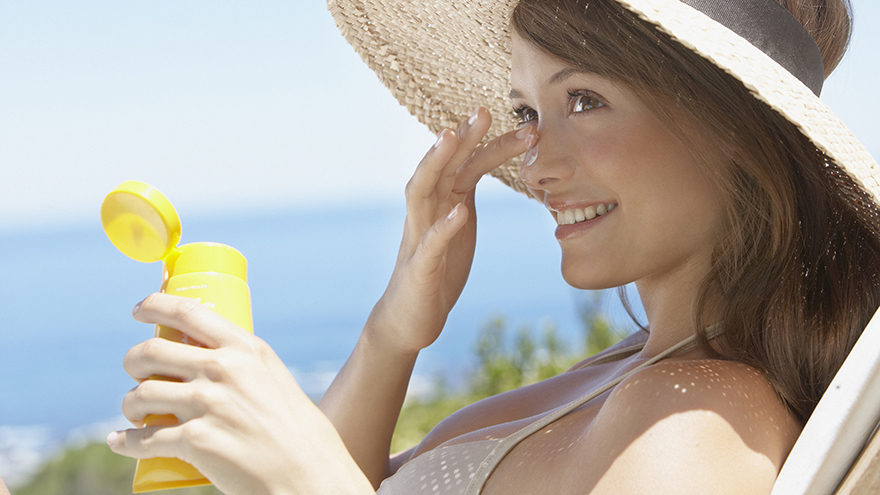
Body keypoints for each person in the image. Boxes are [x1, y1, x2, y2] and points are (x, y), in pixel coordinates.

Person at [107, 0, 880, 493]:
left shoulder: (697, 423)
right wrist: (395, 330)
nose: (535, 162)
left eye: (584, 99)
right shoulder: (634, 372)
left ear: (739, 134)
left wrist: (303, 477)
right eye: (526, 110)